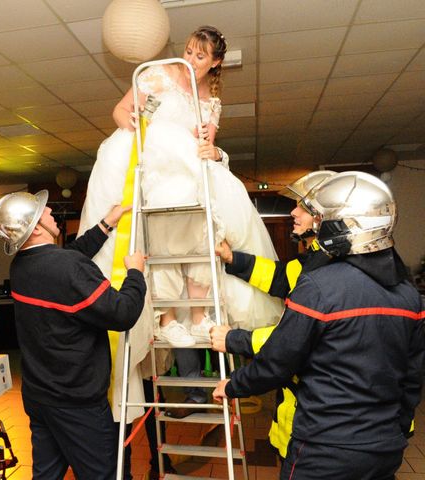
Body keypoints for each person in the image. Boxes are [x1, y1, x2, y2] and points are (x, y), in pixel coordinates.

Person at [79, 25, 282, 348]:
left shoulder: (211, 102)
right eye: (188, 51)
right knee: (163, 232)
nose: (190, 58)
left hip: (187, 172)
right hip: (154, 166)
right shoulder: (157, 75)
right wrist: (131, 125)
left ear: (215, 63)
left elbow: (205, 146)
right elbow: (120, 110)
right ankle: (168, 317)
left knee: (206, 229)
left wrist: (213, 151)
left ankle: (200, 315)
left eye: (200, 56)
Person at [213, 171, 425, 480]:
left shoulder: (319, 286)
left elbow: (279, 360)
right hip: (385, 448)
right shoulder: (409, 295)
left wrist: (234, 384)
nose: (297, 214)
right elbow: (411, 377)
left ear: (341, 226)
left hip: (324, 447)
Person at [0, 190, 146, 480]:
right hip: (76, 401)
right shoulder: (69, 268)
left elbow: (66, 259)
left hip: (40, 396)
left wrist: (105, 224)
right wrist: (135, 273)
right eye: (44, 211)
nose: (50, 211)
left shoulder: (21, 266)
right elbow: (123, 313)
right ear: (36, 227)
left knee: (46, 476)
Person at [209, 170, 335, 457]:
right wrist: (233, 259)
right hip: (316, 422)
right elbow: (280, 277)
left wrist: (235, 339)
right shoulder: (319, 260)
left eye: (303, 207)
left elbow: (292, 342)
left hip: (319, 434)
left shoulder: (327, 276)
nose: (294, 212)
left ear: (326, 216)